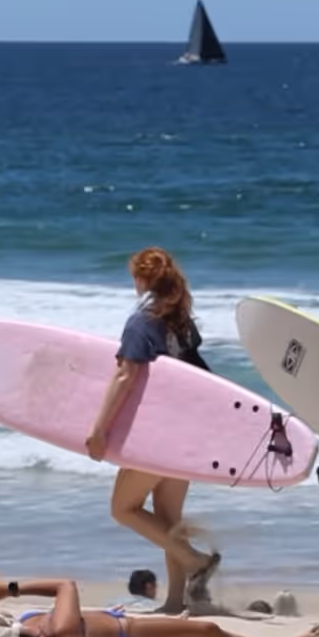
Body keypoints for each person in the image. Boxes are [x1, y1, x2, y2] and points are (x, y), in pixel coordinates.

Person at [86, 246, 220, 613]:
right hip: (188, 431)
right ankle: (177, 601)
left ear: (142, 281)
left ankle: (197, 562)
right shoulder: (181, 323)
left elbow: (126, 375)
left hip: (160, 437)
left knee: (122, 507)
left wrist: (99, 430)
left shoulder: (141, 322)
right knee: (167, 518)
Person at [0, 577, 319, 637]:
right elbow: (66, 585)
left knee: (191, 627)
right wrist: (9, 588)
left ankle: (176, 627)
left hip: (118, 621)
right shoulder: (58, 631)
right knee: (207, 631)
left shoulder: (35, 627)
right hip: (129, 636)